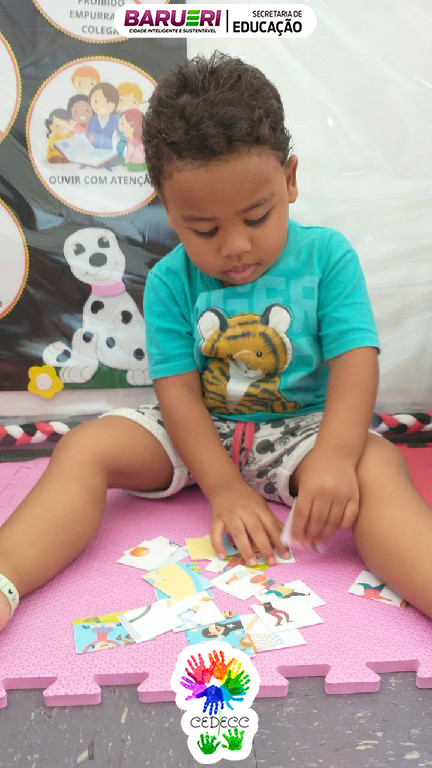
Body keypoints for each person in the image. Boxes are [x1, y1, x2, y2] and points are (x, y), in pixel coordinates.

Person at [0, 53, 431, 633]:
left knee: (378, 466)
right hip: (199, 431)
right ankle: (5, 578)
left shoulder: (328, 256)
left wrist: (333, 456)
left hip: (302, 432)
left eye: (256, 218)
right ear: (168, 208)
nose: (235, 247)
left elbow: (356, 362)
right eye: (204, 229)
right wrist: (223, 487)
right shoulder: (168, 280)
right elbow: (177, 393)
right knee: (83, 448)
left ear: (290, 180)